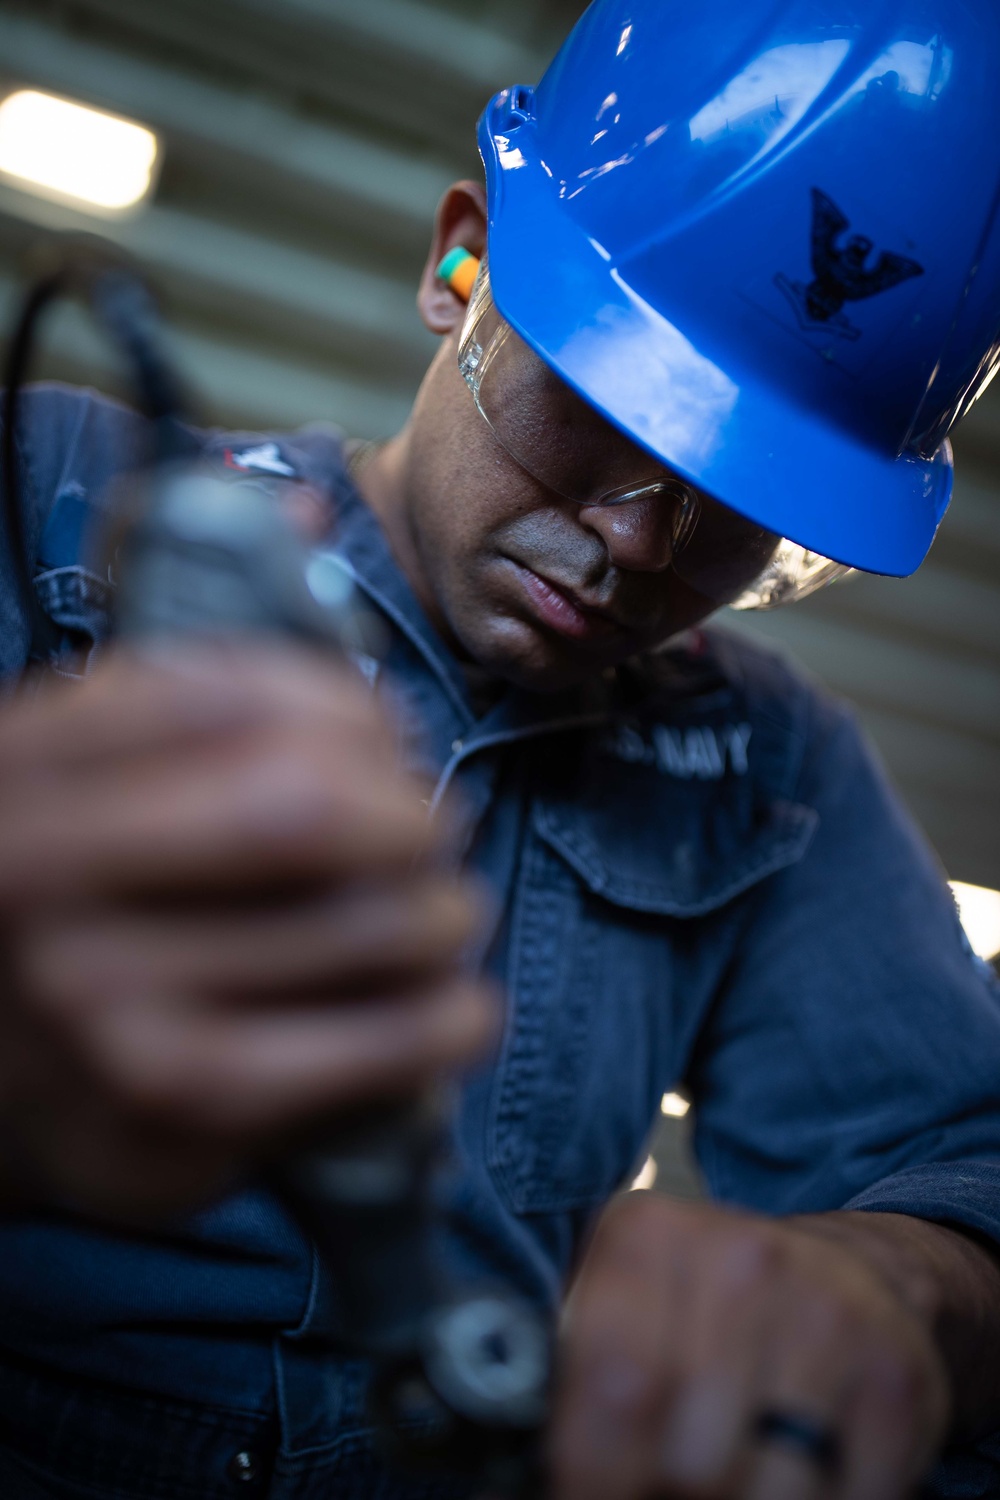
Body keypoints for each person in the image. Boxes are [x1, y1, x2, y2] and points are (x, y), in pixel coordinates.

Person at [1, 1, 1000, 1498]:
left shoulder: (773, 772)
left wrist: (899, 1293)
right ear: (460, 263)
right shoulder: (47, 498)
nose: (634, 544)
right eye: (601, 406)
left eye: (738, 504)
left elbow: (959, 1150)